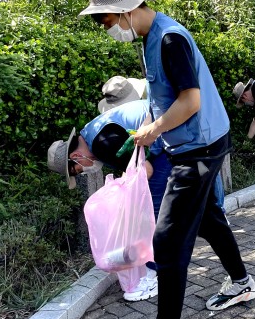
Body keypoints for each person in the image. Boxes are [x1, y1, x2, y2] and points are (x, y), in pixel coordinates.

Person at [77, 0, 255, 319]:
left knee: (168, 241)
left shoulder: (169, 39)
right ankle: (241, 283)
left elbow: (190, 102)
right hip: (200, 142)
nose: (107, 30)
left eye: (106, 22)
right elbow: (166, 96)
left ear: (124, 11)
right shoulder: (150, 37)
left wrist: (154, 130)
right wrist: (150, 123)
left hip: (199, 146)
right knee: (209, 217)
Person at [47, 99, 166, 302]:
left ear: (75, 155)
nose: (83, 172)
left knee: (153, 211)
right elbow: (132, 165)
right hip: (162, 127)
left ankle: (153, 274)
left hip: (165, 133)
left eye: (77, 169)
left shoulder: (102, 143)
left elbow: (145, 170)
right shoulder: (91, 134)